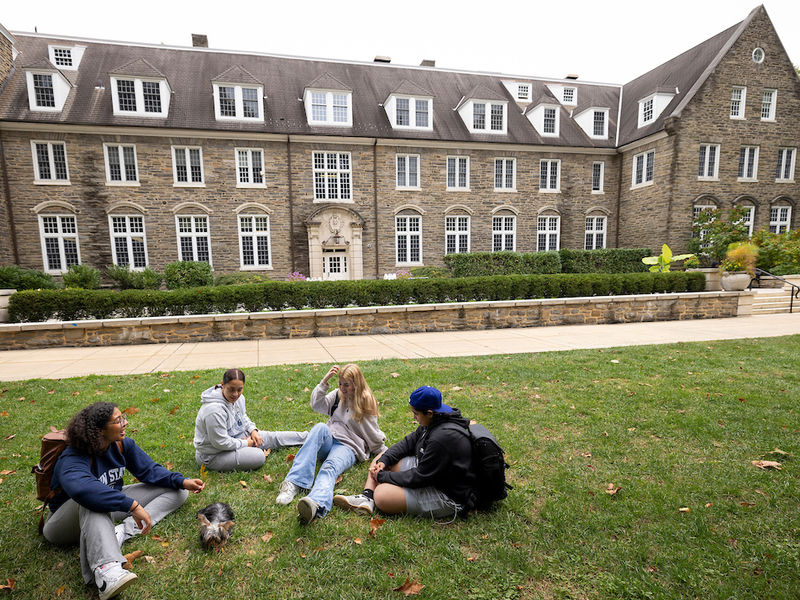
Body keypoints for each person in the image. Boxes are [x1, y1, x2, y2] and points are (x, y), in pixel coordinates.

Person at [43, 402, 205, 600]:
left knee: (178, 492)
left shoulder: (121, 444)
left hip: (107, 507)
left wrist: (181, 480)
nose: (125, 423)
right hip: (62, 524)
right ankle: (107, 572)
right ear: (100, 430)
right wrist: (132, 505)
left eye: (123, 418)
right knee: (94, 500)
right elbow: (84, 489)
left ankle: (118, 533)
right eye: (118, 421)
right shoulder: (73, 456)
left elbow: (149, 470)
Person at [333, 385, 475, 522]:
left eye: (416, 414)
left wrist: (383, 476)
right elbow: (408, 443)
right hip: (431, 472)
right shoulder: (435, 419)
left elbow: (420, 477)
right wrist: (385, 460)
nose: (414, 418)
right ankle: (367, 498)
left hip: (446, 493)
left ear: (430, 413)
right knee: (381, 457)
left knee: (382, 495)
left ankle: (375, 495)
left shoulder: (442, 438)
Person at [275, 363, 386, 524]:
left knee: (329, 467)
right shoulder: (337, 395)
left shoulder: (365, 402)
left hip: (348, 447)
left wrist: (384, 452)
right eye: (340, 384)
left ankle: (316, 504)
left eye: (346, 385)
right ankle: (294, 483)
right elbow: (316, 404)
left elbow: (372, 433)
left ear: (357, 384)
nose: (342, 388)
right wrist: (324, 382)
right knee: (319, 427)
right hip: (328, 439)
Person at [194, 368, 309, 472]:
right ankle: (248, 449)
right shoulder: (214, 411)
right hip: (214, 454)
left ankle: (309, 437)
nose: (235, 394)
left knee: (272, 437)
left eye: (239, 390)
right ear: (223, 385)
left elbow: (243, 417)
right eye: (231, 389)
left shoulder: (239, 398)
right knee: (258, 456)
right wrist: (246, 443)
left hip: (237, 436)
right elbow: (221, 442)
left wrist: (253, 430)